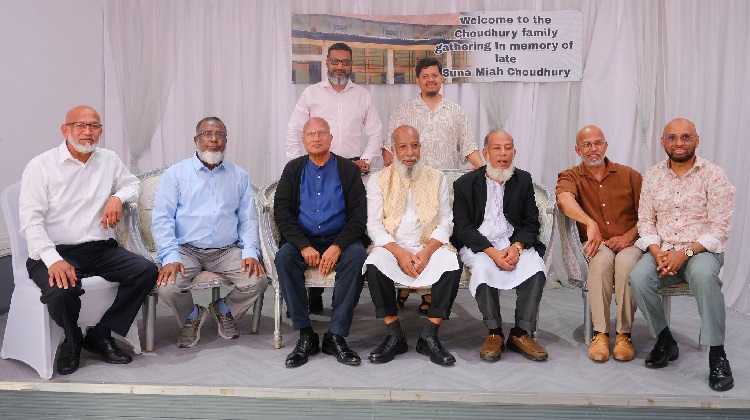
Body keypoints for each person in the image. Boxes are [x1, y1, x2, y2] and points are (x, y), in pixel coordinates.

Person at [19, 105, 158, 375]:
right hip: (55, 251)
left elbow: (133, 184)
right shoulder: (40, 166)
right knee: (61, 291)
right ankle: (73, 341)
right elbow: (30, 222)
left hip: (99, 248)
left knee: (145, 270)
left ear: (100, 131)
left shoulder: (108, 159)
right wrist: (53, 260)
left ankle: (101, 333)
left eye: (94, 126)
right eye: (80, 125)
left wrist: (117, 197)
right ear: (66, 130)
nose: (88, 132)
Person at [628, 118, 735, 391]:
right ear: (662, 142)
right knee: (638, 278)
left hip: (701, 251)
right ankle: (665, 339)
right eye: (672, 137)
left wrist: (684, 253)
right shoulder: (652, 175)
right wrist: (657, 252)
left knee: (704, 276)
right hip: (663, 250)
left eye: (686, 137)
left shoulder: (714, 175)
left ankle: (717, 354)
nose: (679, 143)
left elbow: (719, 228)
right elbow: (646, 220)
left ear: (696, 140)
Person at [151, 117, 267, 348]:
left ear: (226, 140)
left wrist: (250, 252)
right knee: (168, 287)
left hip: (226, 250)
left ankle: (224, 309)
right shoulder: (176, 174)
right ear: (196, 139)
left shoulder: (239, 175)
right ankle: (192, 316)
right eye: (207, 134)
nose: (214, 140)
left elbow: (248, 220)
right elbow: (162, 219)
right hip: (186, 250)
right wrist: (170, 256)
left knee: (258, 280)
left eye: (220, 135)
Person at [285, 42, 382, 312]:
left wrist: (366, 160)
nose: (340, 66)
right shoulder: (311, 94)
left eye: (345, 62)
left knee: (347, 228)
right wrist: (298, 168)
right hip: (315, 168)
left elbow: (376, 132)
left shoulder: (362, 96)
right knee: (315, 224)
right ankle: (314, 295)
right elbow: (294, 131)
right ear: (327, 63)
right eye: (335, 61)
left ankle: (342, 299)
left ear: (351, 65)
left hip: (350, 172)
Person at [385, 57, 483, 313]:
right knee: (410, 235)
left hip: (443, 189)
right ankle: (405, 282)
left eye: (435, 75)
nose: (431, 80)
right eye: (425, 76)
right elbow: (389, 149)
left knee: (435, 239)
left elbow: (469, 147)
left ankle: (429, 292)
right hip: (410, 187)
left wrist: (483, 169)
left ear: (441, 78)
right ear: (418, 80)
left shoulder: (455, 111)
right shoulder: (405, 110)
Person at [274, 117, 369, 368]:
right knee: (284, 257)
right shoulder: (293, 169)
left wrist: (338, 246)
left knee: (357, 256)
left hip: (340, 238)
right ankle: (306, 334)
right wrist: (302, 245)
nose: (316, 138)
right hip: (304, 239)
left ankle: (335, 335)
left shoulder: (348, 170)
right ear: (303, 140)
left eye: (322, 133)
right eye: (311, 134)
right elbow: (282, 213)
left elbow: (359, 217)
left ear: (331, 138)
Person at [364, 126, 462, 366]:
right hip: (393, 247)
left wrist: (427, 253)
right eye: (403, 147)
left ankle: (429, 335)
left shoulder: (436, 177)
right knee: (374, 264)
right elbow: (374, 225)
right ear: (394, 150)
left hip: (428, 245)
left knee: (451, 263)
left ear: (420, 147)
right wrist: (399, 253)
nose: (410, 152)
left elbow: (446, 222)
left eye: (415, 146)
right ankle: (394, 335)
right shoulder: (378, 180)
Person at [451, 129, 548, 362]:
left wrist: (516, 247)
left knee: (535, 269)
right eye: (497, 148)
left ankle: (520, 333)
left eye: (508, 148)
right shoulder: (465, 184)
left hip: (513, 243)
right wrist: (492, 252)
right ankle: (494, 332)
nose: (503, 153)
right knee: (483, 269)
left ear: (514, 152)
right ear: (485, 153)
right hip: (480, 245)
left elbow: (531, 222)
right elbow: (462, 227)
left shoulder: (523, 180)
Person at [556, 125, 642, 362]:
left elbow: (648, 214)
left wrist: (628, 237)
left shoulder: (630, 175)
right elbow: (564, 200)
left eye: (598, 143)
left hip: (629, 242)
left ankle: (624, 334)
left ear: (605, 145)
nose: (593, 149)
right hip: (598, 244)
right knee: (601, 261)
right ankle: (600, 333)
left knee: (626, 264)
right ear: (578, 150)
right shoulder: (570, 175)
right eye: (587, 145)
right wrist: (589, 222)